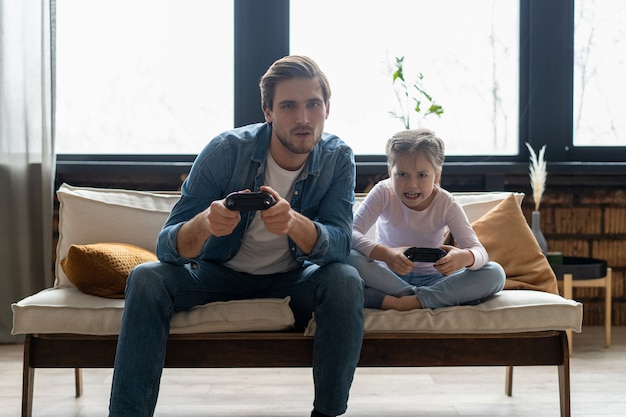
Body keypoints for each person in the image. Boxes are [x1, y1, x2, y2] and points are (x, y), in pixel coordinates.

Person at [108, 55, 364, 417]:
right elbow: (167, 246)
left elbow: (340, 245)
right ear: (268, 112)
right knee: (146, 278)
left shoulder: (338, 158)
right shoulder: (226, 151)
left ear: (327, 108)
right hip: (216, 275)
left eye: (313, 105)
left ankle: (326, 414)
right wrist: (205, 224)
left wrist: (294, 223)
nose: (304, 118)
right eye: (289, 106)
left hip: (293, 279)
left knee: (345, 279)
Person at [348, 128, 505, 311]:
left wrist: (464, 257)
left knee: (495, 273)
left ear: (437, 175)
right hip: (387, 275)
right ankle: (431, 299)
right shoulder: (383, 192)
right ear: (391, 172)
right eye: (402, 174)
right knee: (347, 256)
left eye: (422, 175)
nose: (411, 184)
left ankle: (402, 301)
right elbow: (349, 233)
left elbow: (479, 252)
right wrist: (387, 255)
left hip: (434, 279)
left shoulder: (446, 203)